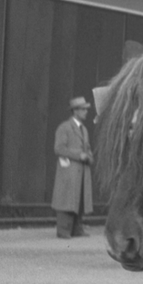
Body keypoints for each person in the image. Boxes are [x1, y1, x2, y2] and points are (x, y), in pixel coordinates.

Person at [51, 97, 93, 239]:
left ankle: (76, 229)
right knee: (66, 200)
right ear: (75, 111)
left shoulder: (84, 129)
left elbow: (87, 148)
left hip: (82, 171)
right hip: (69, 171)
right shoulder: (65, 127)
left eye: (86, 109)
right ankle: (63, 230)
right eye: (83, 109)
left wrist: (89, 156)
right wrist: (79, 155)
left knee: (79, 199)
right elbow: (59, 149)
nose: (86, 112)